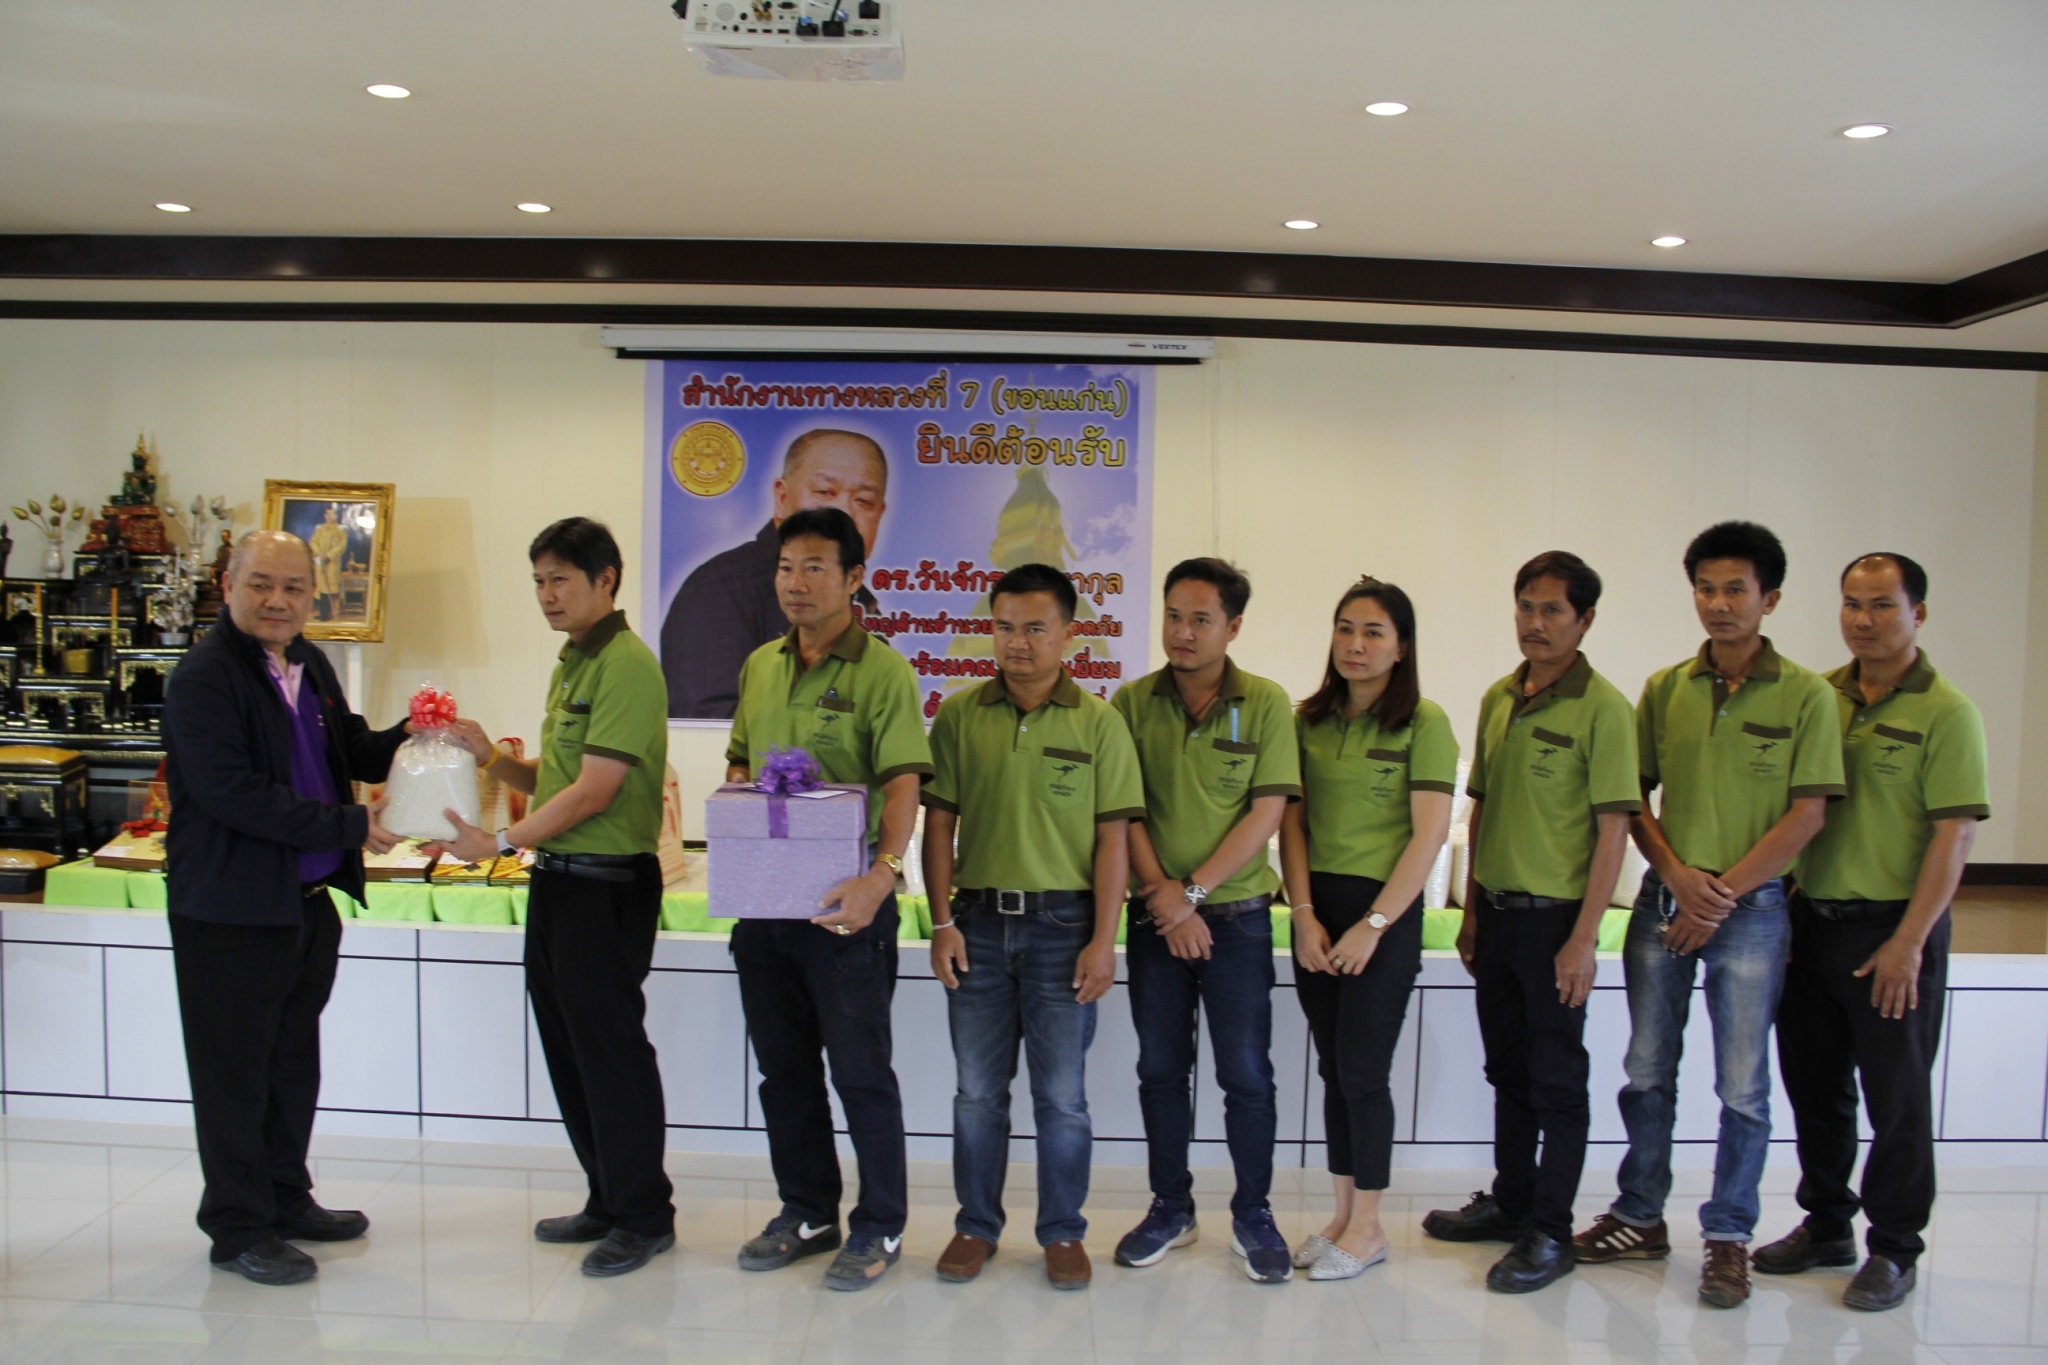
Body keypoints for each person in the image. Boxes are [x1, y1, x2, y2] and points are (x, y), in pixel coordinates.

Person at [1573, 522, 1844, 1308]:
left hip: (1753, 911)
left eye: (1735, 590)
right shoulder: (1666, 689)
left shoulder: (1808, 695)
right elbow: (1633, 796)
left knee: (1743, 1086)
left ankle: (1728, 1235)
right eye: (1705, 588)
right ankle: (1639, 1213)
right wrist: (1677, 877)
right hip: (1666, 900)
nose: (1719, 604)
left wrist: (1719, 894)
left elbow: (1809, 814)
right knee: (1646, 1070)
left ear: (1770, 598)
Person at [161, 530, 407, 1285]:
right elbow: (232, 792)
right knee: (234, 1074)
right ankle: (237, 1226)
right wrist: (350, 825)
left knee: (291, 1064)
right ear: (228, 584)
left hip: (305, 904)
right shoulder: (203, 678)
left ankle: (285, 1198)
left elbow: (353, 749)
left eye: (294, 587)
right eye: (261, 583)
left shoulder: (308, 661)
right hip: (230, 911)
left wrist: (417, 734)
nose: (278, 600)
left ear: (313, 594)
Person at [433, 517, 677, 1277]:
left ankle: (645, 1214)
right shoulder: (574, 660)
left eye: (561, 579)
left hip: (606, 885)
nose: (547, 594)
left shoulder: (627, 665)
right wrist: (493, 760)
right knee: (569, 1047)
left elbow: (596, 792)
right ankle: (608, 1196)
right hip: (560, 881)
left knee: (611, 1052)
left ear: (607, 580)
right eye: (539, 580)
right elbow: (560, 776)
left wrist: (500, 843)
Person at [1752, 553, 1989, 1313]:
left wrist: (1909, 942)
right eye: (1852, 603)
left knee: (1897, 1099)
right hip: (1810, 924)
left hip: (1893, 929)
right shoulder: (1820, 697)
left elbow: (1954, 836)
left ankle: (1894, 1246)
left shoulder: (1947, 712)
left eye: (1883, 605)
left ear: (1919, 613)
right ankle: (1827, 1225)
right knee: (1816, 1089)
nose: (1864, 619)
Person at [725, 506, 932, 1291]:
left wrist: (883, 874)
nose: (797, 582)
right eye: (787, 566)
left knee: (861, 1074)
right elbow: (739, 763)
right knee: (783, 1073)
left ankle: (880, 1223)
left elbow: (904, 784)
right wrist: (739, 816)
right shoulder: (760, 665)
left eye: (816, 567)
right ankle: (808, 1210)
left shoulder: (883, 671)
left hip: (847, 910)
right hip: (765, 905)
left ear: (853, 578)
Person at [922, 563, 1145, 1291]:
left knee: (1062, 1096)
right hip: (978, 926)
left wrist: (1104, 939)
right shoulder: (960, 715)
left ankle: (1063, 1231)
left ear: (1069, 633)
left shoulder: (1099, 722)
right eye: (1004, 627)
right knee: (977, 1093)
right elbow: (939, 825)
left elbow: (1113, 840)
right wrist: (942, 921)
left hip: (1064, 928)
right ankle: (975, 1226)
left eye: (1035, 628)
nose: (1017, 642)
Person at [1423, 550, 1639, 1294]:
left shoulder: (1605, 709)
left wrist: (1583, 938)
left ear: (1585, 620)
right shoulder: (1499, 696)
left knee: (1557, 1081)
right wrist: (1470, 913)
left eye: (1552, 610)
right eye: (1525, 606)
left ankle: (1551, 1230)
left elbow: (1613, 831)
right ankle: (1512, 1200)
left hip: (1557, 927)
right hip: (1498, 917)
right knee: (1507, 1069)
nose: (1535, 623)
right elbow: (1481, 807)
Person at [1109, 558, 1302, 1283]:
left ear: (1233, 626)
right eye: (1173, 616)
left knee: (1246, 1074)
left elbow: (1267, 811)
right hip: (1156, 919)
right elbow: (1123, 811)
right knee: (1161, 1070)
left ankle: (1254, 1213)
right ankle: (1171, 1207)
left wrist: (1191, 892)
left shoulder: (1266, 703)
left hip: (1237, 920)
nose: (1182, 633)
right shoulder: (1131, 703)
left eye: (1200, 619)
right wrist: (1164, 896)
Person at [1278, 577, 1456, 1281]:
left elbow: (1429, 833)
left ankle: (1371, 1226)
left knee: (1363, 1070)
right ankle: (1343, 1214)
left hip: (1383, 917)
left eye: (1374, 631)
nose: (1355, 644)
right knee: (1332, 1068)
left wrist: (1375, 923)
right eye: (1345, 628)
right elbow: (1292, 825)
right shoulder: (1308, 721)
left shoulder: (1425, 722)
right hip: (1317, 914)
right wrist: (1302, 915)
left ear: (1401, 646)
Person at [661, 429, 887, 718]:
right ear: (782, 497)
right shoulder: (720, 588)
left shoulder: (863, 604)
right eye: (824, 492)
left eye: (864, 501)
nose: (844, 513)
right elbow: (709, 720)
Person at [308, 504, 348, 622]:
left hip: (332, 563)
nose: (330, 516)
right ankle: (322, 613)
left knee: (329, 588)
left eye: (333, 514)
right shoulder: (319, 528)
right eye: (328, 514)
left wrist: (329, 555)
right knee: (320, 587)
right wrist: (319, 553)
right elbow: (313, 542)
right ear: (324, 515)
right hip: (320, 561)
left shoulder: (341, 529)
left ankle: (327, 614)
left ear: (336, 515)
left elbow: (341, 546)